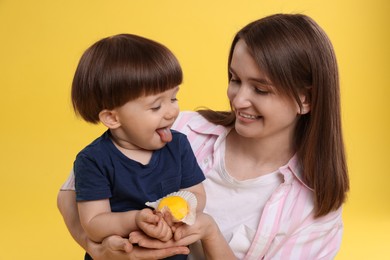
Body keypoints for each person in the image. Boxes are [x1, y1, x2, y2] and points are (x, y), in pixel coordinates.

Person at [58, 13, 349, 259]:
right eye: (235, 80)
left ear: (306, 100)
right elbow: (71, 191)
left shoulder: (316, 212)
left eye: (261, 89)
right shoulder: (178, 130)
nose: (239, 99)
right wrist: (98, 248)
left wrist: (209, 232)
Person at [66, 33, 206, 260]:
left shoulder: (178, 144)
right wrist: (135, 219)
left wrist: (180, 212)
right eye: (155, 106)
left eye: (173, 98)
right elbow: (93, 222)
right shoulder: (93, 160)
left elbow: (197, 193)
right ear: (112, 118)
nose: (172, 112)